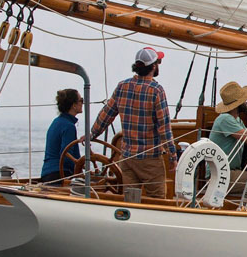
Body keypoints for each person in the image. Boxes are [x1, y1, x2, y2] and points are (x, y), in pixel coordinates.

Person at [87, 47, 177, 199]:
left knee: (131, 200)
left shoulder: (122, 86)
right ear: (154, 66)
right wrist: (173, 156)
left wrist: (92, 133)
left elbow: (106, 114)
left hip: (127, 157)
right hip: (150, 159)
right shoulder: (156, 90)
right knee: (157, 200)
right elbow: (164, 128)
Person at [210, 81, 247, 175]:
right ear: (238, 103)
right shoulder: (225, 119)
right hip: (220, 174)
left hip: (230, 171)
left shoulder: (237, 120)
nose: (246, 101)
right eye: (244, 100)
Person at [41, 88, 82, 185]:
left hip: (47, 173)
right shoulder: (69, 126)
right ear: (74, 105)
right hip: (60, 175)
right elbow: (67, 156)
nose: (82, 103)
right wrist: (80, 171)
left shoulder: (56, 122)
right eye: (81, 100)